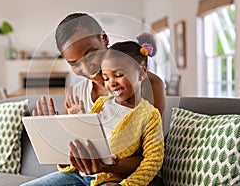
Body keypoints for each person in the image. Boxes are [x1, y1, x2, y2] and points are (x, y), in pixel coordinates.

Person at [24, 41, 164, 186]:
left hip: (109, 179)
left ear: (141, 73)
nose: (111, 83)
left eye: (118, 75)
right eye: (106, 78)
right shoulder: (102, 103)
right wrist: (77, 120)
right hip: (78, 175)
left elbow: (153, 160)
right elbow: (87, 140)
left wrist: (127, 185)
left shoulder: (150, 115)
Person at [34, 12, 166, 117]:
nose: (86, 68)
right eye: (75, 64)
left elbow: (153, 143)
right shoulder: (74, 96)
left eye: (91, 55)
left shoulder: (150, 84)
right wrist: (54, 130)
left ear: (104, 38)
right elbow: (73, 146)